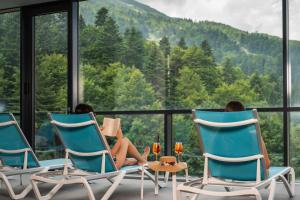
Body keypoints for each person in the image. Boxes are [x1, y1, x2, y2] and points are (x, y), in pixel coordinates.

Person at [74, 103, 150, 169]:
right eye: (94, 115)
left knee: (127, 160)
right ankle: (143, 161)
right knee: (125, 140)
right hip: (106, 167)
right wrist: (119, 138)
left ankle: (142, 158)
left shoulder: (74, 132)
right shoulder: (95, 133)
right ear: (91, 117)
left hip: (86, 166)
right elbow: (110, 155)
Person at [225, 101, 271, 169]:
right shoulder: (253, 136)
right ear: (243, 116)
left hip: (226, 175)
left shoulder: (219, 137)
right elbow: (266, 164)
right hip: (251, 176)